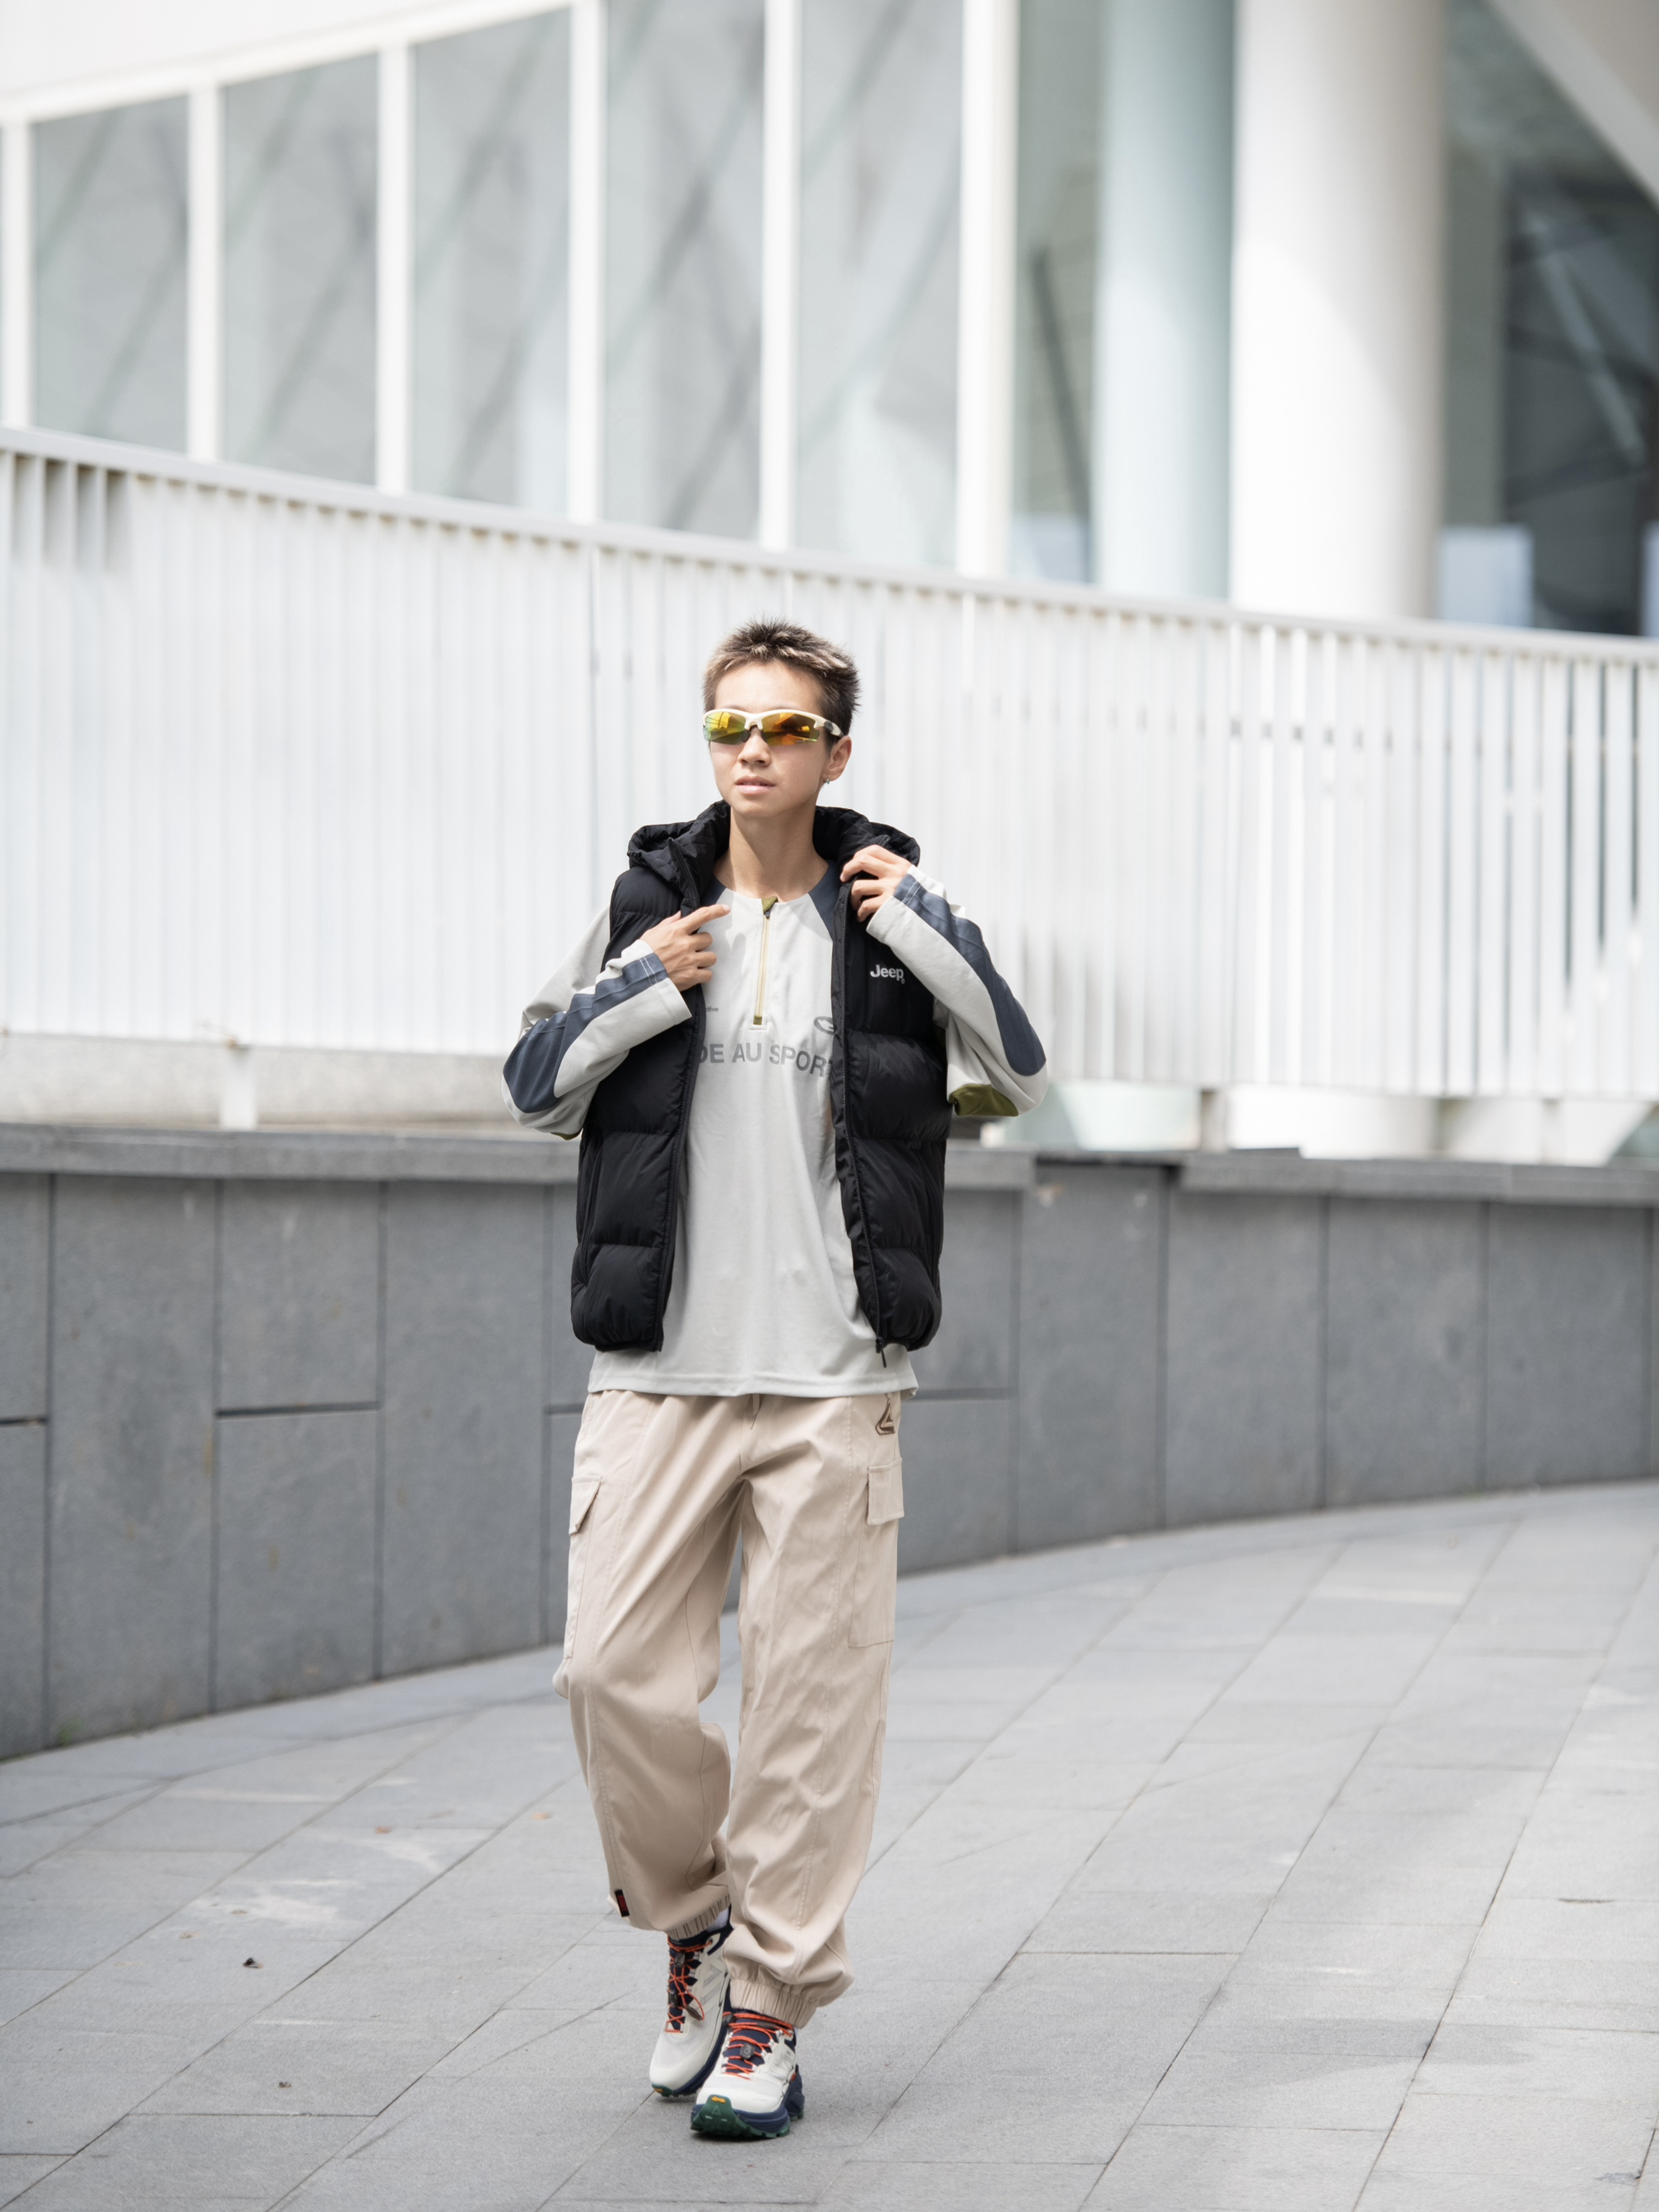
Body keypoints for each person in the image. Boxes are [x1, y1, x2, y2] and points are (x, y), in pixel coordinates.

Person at [503, 618, 1047, 2140]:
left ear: (836, 751)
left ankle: (770, 2006)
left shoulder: (886, 920)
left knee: (811, 1703)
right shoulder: (646, 908)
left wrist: (921, 923)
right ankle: (695, 1920)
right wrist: (638, 985)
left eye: (786, 728)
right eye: (730, 726)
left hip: (832, 1376)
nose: (754, 750)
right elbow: (533, 1089)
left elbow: (1017, 1066)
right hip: (658, 1370)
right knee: (609, 1675)